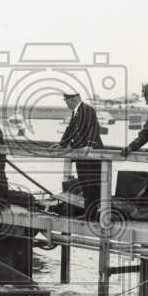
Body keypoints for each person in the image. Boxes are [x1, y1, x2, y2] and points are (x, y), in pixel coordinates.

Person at [50, 91, 104, 219]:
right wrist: (62, 144)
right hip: (80, 154)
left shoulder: (87, 110)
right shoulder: (76, 112)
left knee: (93, 185)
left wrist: (89, 145)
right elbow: (70, 129)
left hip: (90, 154)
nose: (66, 103)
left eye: (66, 101)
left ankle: (94, 214)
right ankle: (89, 214)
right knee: (85, 184)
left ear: (72, 99)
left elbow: (93, 127)